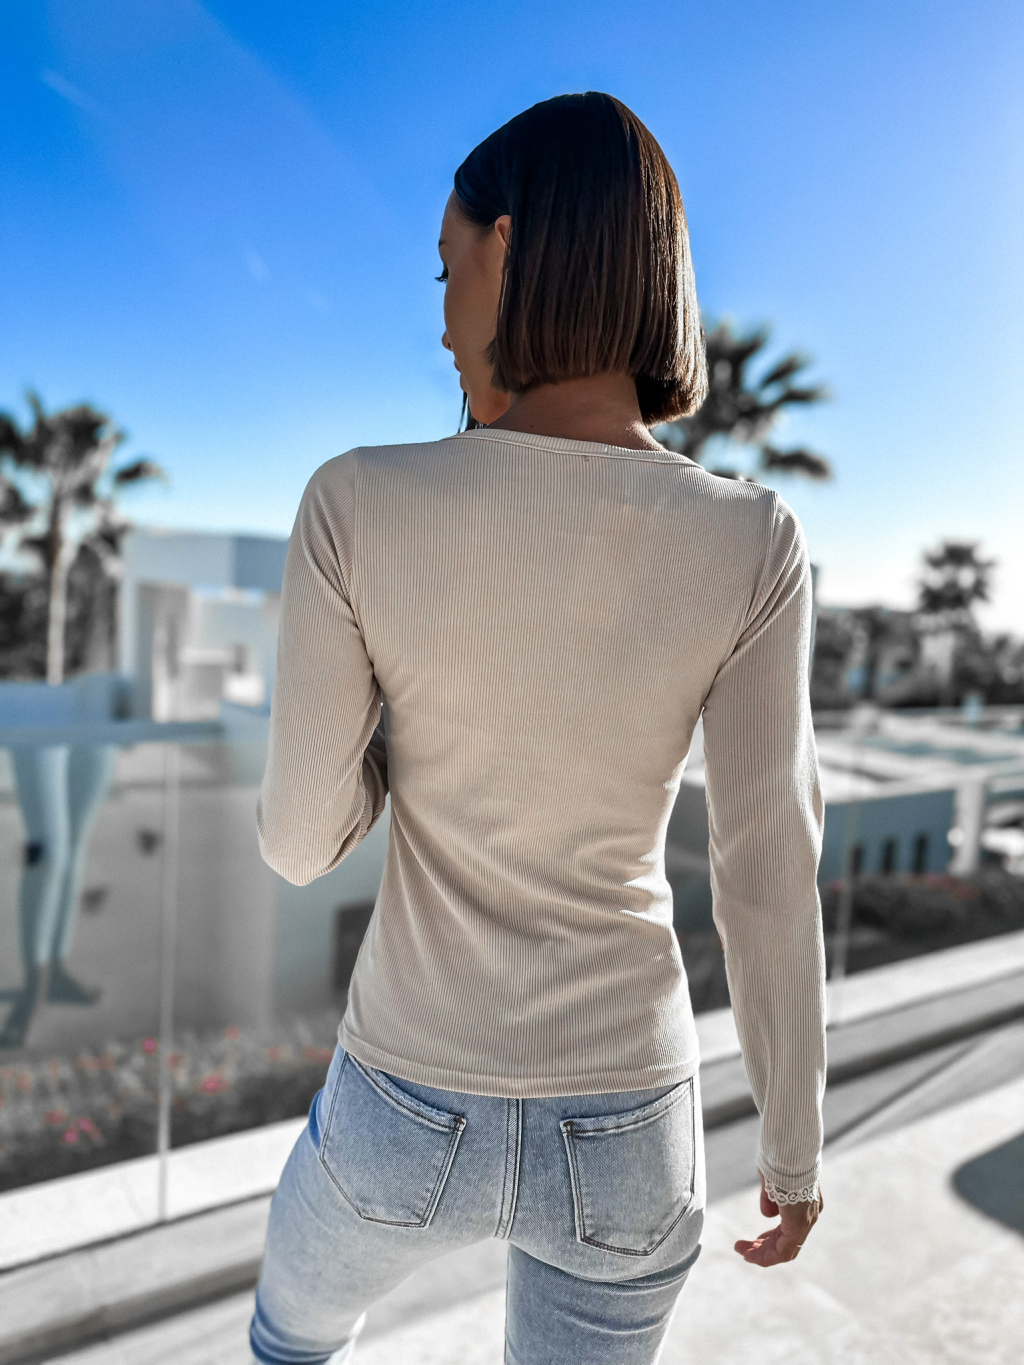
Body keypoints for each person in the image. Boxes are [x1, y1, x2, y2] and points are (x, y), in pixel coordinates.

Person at [250, 92, 826, 1365]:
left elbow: (297, 843)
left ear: (506, 248)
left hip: (399, 1104)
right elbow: (766, 869)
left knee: (288, 1344)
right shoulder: (755, 540)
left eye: (446, 270)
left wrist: (400, 745)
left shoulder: (356, 500)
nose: (441, 318)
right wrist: (791, 1146)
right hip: (629, 1126)